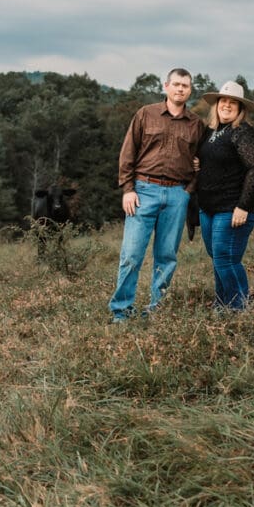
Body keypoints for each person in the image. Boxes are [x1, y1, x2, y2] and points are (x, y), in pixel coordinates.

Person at [108, 68, 205, 323]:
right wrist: (128, 189)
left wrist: (188, 192)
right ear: (166, 86)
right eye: (176, 84)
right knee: (131, 254)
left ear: (190, 89)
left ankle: (157, 309)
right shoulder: (145, 114)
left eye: (185, 85)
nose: (180, 89)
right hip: (143, 191)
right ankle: (121, 311)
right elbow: (127, 153)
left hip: (177, 194)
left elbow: (202, 161)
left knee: (166, 256)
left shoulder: (196, 124)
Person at [196, 81, 254, 311]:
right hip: (209, 208)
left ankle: (238, 307)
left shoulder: (242, 132)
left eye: (232, 102)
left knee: (226, 259)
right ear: (216, 105)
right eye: (223, 101)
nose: (226, 105)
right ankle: (221, 303)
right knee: (217, 257)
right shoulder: (211, 132)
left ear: (240, 108)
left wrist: (243, 206)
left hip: (233, 208)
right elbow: (210, 161)